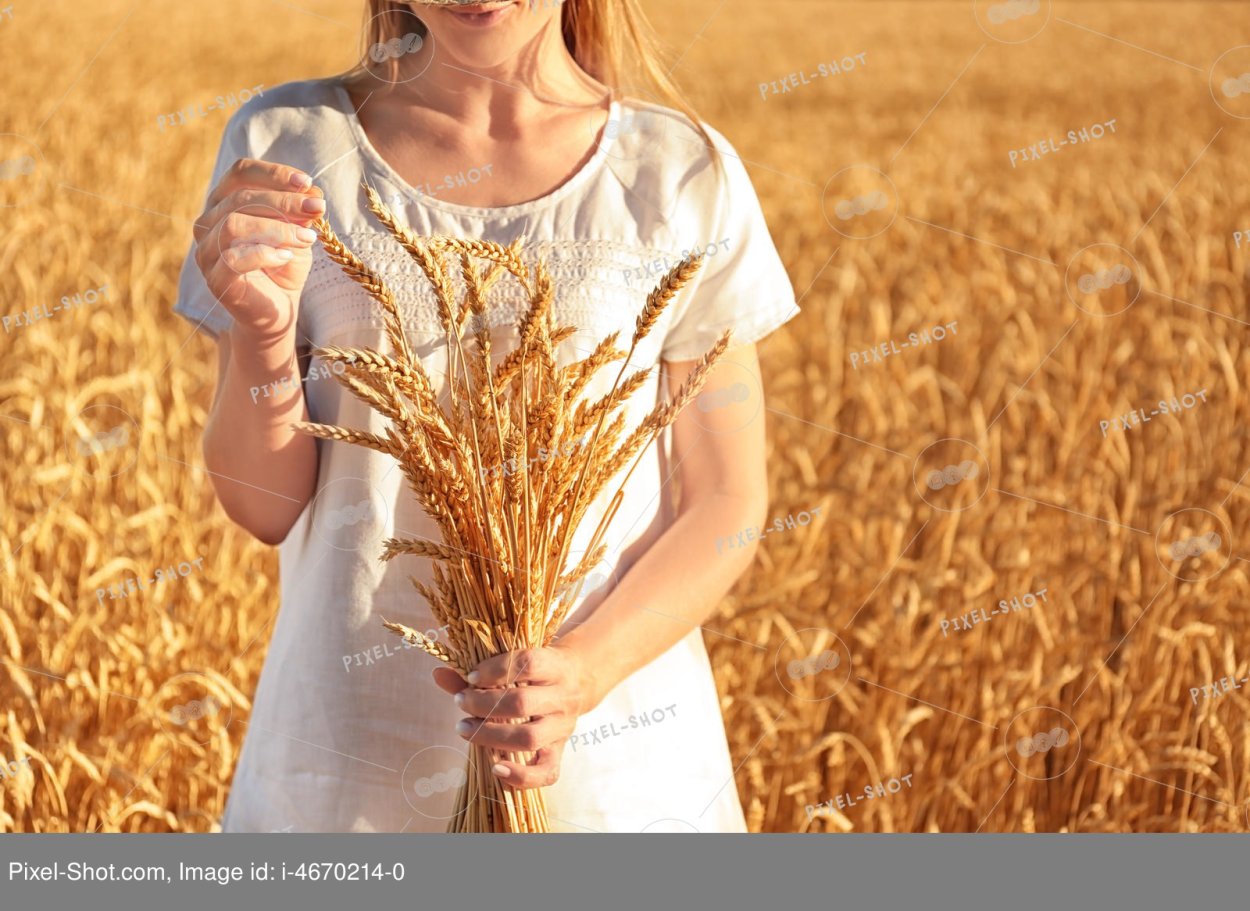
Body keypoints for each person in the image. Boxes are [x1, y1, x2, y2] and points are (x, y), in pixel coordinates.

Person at [174, 0, 799, 832]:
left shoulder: (680, 174)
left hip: (616, 767)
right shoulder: (288, 145)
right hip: (350, 768)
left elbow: (726, 503)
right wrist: (261, 336)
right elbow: (264, 505)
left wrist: (581, 672)